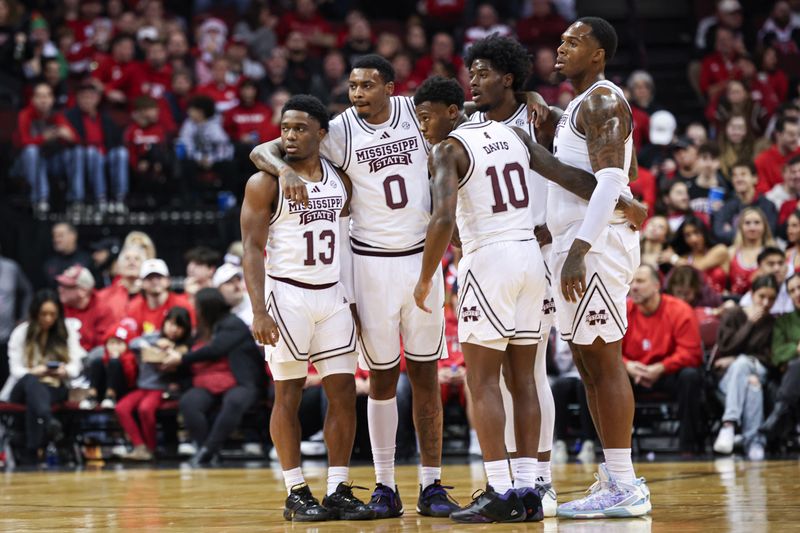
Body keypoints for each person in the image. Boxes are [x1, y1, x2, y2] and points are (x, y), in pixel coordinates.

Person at [411, 75, 644, 522]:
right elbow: (569, 175)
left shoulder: (448, 149)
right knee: (526, 379)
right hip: (531, 259)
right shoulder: (513, 134)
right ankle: (530, 488)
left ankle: (499, 488)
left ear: (455, 112)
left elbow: (443, 221)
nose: (422, 126)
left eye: (426, 117)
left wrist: (425, 279)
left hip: (490, 261)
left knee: (483, 382)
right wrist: (624, 203)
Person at [249, 55, 460, 519]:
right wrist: (282, 169)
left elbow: (468, 121)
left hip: (422, 259)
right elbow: (268, 149)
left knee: (426, 377)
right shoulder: (338, 129)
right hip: (367, 265)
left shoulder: (414, 112)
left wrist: (528, 97)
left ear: (389, 85)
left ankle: (432, 484)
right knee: (382, 377)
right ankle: (385, 484)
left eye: (367, 84)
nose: (358, 92)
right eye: (352, 85)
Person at [241, 95, 373, 522]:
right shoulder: (264, 182)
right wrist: (258, 311)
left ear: (321, 133)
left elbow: (347, 245)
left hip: (332, 295)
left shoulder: (339, 179)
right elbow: (251, 249)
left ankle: (337, 488)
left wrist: (351, 300)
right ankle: (295, 489)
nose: (290, 136)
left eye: (300, 128)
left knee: (343, 395)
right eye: (285, 128)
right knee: (288, 394)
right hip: (287, 295)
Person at [548, 17, 651, 518]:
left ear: (599, 54)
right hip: (581, 241)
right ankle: (613, 476)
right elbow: (627, 174)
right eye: (561, 41)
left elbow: (612, 181)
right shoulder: (578, 104)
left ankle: (626, 485)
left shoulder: (604, 100)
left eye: (574, 42)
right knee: (588, 365)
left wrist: (578, 249)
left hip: (595, 247)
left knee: (605, 362)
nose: (561, 47)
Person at [461, 34, 559, 517]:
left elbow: (567, 171)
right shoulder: (471, 122)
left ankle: (539, 478)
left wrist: (534, 98)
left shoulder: (539, 117)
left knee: (532, 372)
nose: (473, 80)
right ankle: (521, 481)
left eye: (482, 72)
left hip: (536, 246)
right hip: (507, 249)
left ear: (509, 76)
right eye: (471, 73)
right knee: (504, 380)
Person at [161, 289, 264, 467]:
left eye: (197, 305)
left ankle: (208, 450)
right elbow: (194, 347)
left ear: (206, 307)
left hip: (242, 381)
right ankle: (205, 449)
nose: (194, 308)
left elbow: (215, 349)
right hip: (210, 381)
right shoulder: (204, 328)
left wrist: (181, 358)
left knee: (234, 401)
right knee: (189, 402)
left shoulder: (233, 323)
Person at [623, 265, 706, 455]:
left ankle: (688, 447)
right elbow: (611, 352)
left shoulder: (680, 310)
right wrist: (628, 366)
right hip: (634, 374)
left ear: (656, 285)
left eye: (640, 281)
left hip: (668, 374)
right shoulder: (623, 310)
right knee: (610, 377)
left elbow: (691, 353)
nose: (634, 287)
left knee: (691, 376)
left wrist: (661, 367)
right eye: (632, 282)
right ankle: (613, 449)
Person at [0, 290, 84, 464]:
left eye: (52, 314)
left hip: (54, 386)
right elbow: (16, 370)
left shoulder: (67, 331)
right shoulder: (21, 333)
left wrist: (64, 370)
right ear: (35, 313)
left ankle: (32, 452)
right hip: (22, 388)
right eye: (43, 314)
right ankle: (48, 421)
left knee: (36, 398)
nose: (48, 319)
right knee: (31, 383)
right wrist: (36, 371)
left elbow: (76, 366)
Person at [713, 275, 779, 461]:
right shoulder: (734, 314)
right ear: (752, 294)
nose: (766, 303)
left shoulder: (772, 323)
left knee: (742, 363)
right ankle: (755, 442)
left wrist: (737, 358)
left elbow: (770, 358)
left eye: (771, 298)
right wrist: (749, 323)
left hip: (759, 369)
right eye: (761, 296)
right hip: (730, 379)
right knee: (752, 385)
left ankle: (728, 424)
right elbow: (725, 347)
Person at [116, 306, 192, 460]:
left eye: (179, 326)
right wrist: (154, 344)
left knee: (145, 409)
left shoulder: (184, 347)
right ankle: (140, 446)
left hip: (160, 389)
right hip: (142, 387)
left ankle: (151, 448)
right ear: (164, 323)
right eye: (170, 324)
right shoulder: (153, 337)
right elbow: (133, 343)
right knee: (121, 408)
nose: (173, 329)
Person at [762, 274, 800, 439]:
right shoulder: (783, 321)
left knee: (796, 366)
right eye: (792, 291)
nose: (797, 293)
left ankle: (779, 413)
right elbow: (776, 355)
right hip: (793, 378)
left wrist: (791, 351)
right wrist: (797, 348)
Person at [713, 161, 778, 245]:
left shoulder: (767, 206)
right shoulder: (727, 205)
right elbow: (719, 233)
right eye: (734, 175)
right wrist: (753, 231)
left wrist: (732, 231)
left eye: (743, 174)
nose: (738, 179)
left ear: (755, 178)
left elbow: (769, 233)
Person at [79, 319, 138, 410]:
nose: (114, 347)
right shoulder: (104, 357)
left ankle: (111, 396)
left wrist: (121, 360)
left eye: (119, 343)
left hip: (123, 391)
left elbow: (130, 379)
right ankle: (92, 396)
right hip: (104, 390)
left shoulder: (130, 358)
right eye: (111, 343)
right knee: (97, 361)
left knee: (114, 362)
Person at [126, 258, 194, 335]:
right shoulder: (133, 308)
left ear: (168, 280)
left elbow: (191, 334)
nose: (155, 281)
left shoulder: (183, 305)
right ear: (141, 283)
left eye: (159, 277)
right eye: (149, 278)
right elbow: (130, 337)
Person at [56, 264, 115, 352]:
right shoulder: (58, 308)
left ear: (83, 291)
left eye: (67, 287)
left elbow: (103, 347)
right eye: (60, 285)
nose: (60, 289)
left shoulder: (102, 310)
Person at [668, 216, 729, 295]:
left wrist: (674, 259)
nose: (693, 239)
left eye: (697, 232)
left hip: (721, 300)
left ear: (704, 232)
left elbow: (697, 269)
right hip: (696, 303)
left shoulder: (720, 250)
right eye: (687, 235)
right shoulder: (684, 258)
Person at [0, 250, 33, 390]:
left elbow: (27, 291)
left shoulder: (11, 268)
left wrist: (24, 317)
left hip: (7, 334)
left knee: (7, 376)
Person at [728, 207, 776, 296]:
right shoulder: (731, 252)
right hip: (735, 303)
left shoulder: (772, 252)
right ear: (740, 227)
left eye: (757, 223)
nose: (752, 227)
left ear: (764, 226)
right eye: (747, 223)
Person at [737, 247, 792, 314]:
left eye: (780, 263)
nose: (777, 268)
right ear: (759, 268)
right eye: (771, 264)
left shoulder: (795, 291)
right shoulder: (749, 299)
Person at [755, 116, 800, 194]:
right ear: (778, 135)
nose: (796, 138)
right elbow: (763, 192)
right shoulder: (762, 160)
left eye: (798, 134)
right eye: (791, 134)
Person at [43, 222, 92, 287]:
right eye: (54, 236)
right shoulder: (49, 263)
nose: (56, 240)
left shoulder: (87, 259)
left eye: (60, 235)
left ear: (73, 236)